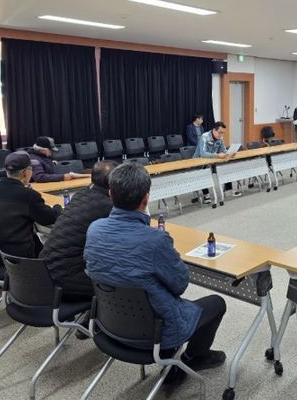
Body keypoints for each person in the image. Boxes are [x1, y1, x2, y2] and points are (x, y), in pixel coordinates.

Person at [84, 162, 227, 385]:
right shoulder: (155, 240)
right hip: (155, 334)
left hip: (110, 325)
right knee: (216, 303)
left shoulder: (94, 229)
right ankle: (192, 358)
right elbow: (180, 285)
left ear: (110, 194)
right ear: (146, 199)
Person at [39, 160, 117, 301]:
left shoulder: (80, 195)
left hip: (42, 272)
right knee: (119, 287)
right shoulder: (107, 206)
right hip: (65, 280)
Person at [0, 152, 61, 258]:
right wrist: (58, 207)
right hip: (22, 259)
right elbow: (49, 218)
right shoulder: (28, 195)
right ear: (26, 173)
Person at [193, 121, 239, 197]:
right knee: (205, 172)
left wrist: (229, 153)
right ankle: (206, 195)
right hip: (199, 162)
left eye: (223, 133)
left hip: (212, 160)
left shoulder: (220, 138)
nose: (221, 135)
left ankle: (228, 190)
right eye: (220, 132)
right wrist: (217, 155)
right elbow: (203, 154)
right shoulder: (205, 136)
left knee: (226, 167)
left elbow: (223, 150)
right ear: (214, 130)